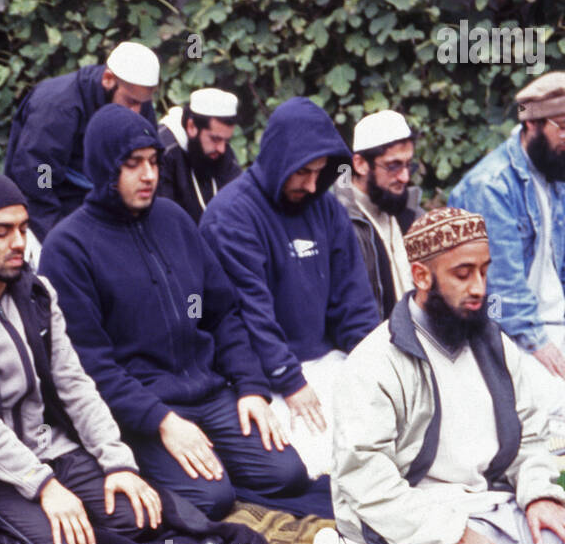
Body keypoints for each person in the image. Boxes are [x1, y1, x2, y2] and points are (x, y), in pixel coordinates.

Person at [0, 171, 272, 544]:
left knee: (139, 516)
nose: (18, 242)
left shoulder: (36, 292)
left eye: (22, 228)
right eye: (0, 232)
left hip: (52, 447)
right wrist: (44, 487)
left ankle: (108, 531)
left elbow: (76, 384)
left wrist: (118, 463)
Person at [310, 207, 565, 544]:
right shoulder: (374, 364)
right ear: (422, 276)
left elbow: (530, 431)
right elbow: (367, 482)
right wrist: (453, 535)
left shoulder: (493, 344)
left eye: (485, 272)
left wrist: (538, 495)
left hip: (488, 506)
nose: (480, 289)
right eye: (463, 274)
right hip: (412, 516)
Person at [39, 105, 331, 521]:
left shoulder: (174, 219)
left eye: (154, 161)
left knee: (287, 475)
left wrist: (250, 387)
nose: (149, 175)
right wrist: (161, 420)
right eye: (133, 164)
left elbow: (223, 312)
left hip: (210, 393)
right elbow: (89, 367)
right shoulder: (67, 247)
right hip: (140, 410)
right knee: (211, 499)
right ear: (105, 167)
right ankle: (193, 471)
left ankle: (217, 465)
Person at [200, 97, 380, 479]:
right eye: (302, 172)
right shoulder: (232, 215)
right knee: (309, 466)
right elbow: (249, 312)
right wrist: (290, 381)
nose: (312, 184)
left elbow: (355, 302)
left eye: (321, 172)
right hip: (261, 374)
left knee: (374, 446)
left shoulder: (327, 208)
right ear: (279, 158)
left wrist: (376, 363)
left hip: (326, 359)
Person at [449, 71, 565, 411]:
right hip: (500, 316)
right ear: (532, 124)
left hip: (554, 314)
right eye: (564, 127)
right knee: (542, 394)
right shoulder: (492, 185)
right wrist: (536, 342)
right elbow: (501, 281)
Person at [4, 41, 160, 240]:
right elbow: (38, 173)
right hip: (47, 197)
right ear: (108, 79)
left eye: (142, 103)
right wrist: (57, 235)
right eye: (131, 102)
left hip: (101, 197)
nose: (136, 112)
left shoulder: (138, 103)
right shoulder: (58, 106)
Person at [333, 109, 423, 320]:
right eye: (393, 166)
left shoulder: (412, 213)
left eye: (408, 165)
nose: (405, 177)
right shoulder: (340, 224)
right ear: (360, 164)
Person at [157, 88, 241, 224]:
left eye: (226, 141)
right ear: (191, 127)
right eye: (215, 139)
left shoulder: (220, 150)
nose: (222, 149)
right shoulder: (163, 150)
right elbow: (163, 219)